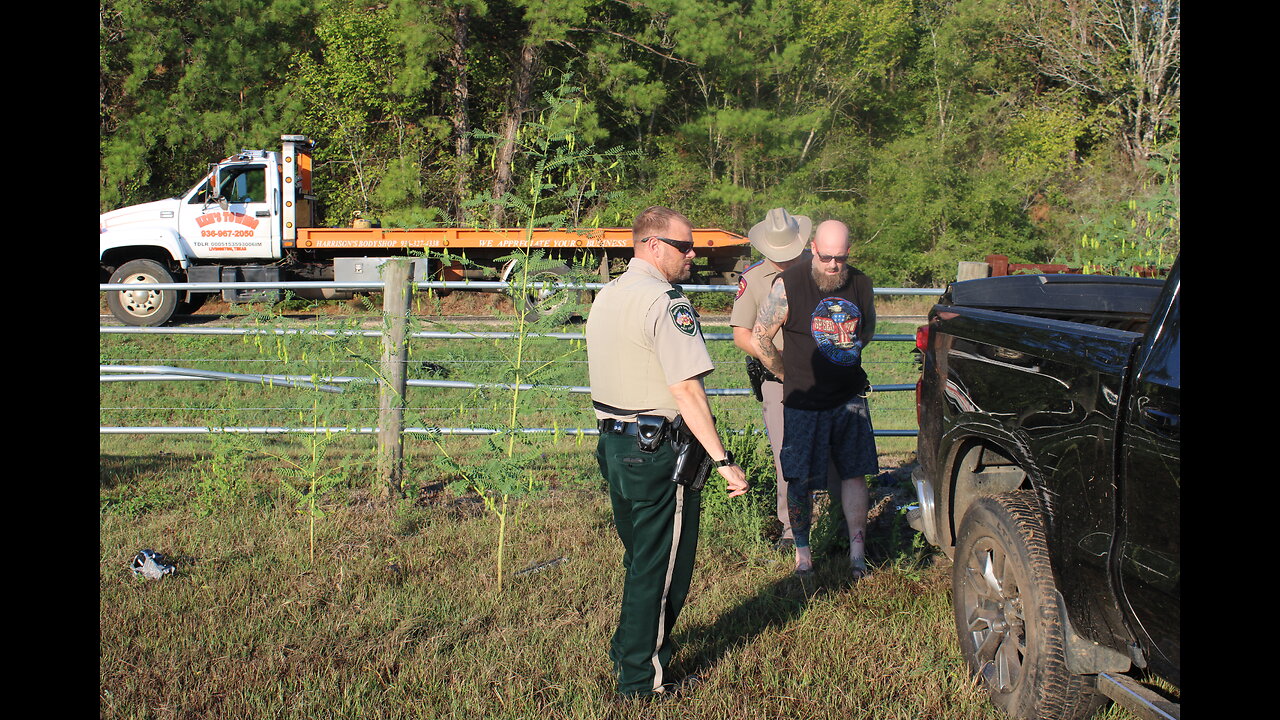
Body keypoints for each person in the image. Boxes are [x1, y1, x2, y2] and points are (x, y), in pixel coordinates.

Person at [586, 205, 750, 700]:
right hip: (657, 450)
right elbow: (687, 390)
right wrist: (722, 461)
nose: (692, 254)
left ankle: (627, 650)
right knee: (662, 570)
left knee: (640, 560)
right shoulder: (666, 302)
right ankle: (642, 680)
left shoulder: (606, 295)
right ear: (652, 245)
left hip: (614, 443)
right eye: (684, 246)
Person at [752, 219, 877, 579]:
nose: (833, 265)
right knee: (799, 478)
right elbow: (762, 337)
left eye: (840, 257)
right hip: (803, 400)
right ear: (812, 250)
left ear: (848, 253)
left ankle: (857, 554)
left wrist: (846, 354)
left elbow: (867, 327)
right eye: (826, 257)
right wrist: (783, 373)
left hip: (849, 397)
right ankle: (803, 557)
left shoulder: (861, 283)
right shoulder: (788, 284)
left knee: (855, 474)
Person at [730, 208, 845, 552]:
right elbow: (741, 333)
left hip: (828, 376)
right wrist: (779, 366)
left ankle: (841, 521)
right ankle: (791, 526)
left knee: (837, 450)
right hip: (779, 380)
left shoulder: (824, 270)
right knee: (788, 455)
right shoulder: (753, 280)